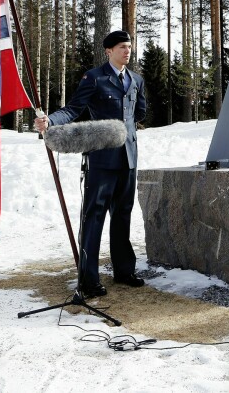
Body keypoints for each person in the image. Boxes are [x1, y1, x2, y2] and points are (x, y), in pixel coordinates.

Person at [34, 30, 147, 297]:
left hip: (128, 159)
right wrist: (51, 121)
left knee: (123, 215)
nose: (127, 51)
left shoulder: (136, 80)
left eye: (129, 47)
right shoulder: (95, 78)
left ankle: (124, 271)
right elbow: (73, 109)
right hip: (101, 159)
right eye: (121, 47)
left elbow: (140, 112)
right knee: (94, 217)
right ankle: (89, 277)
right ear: (108, 51)